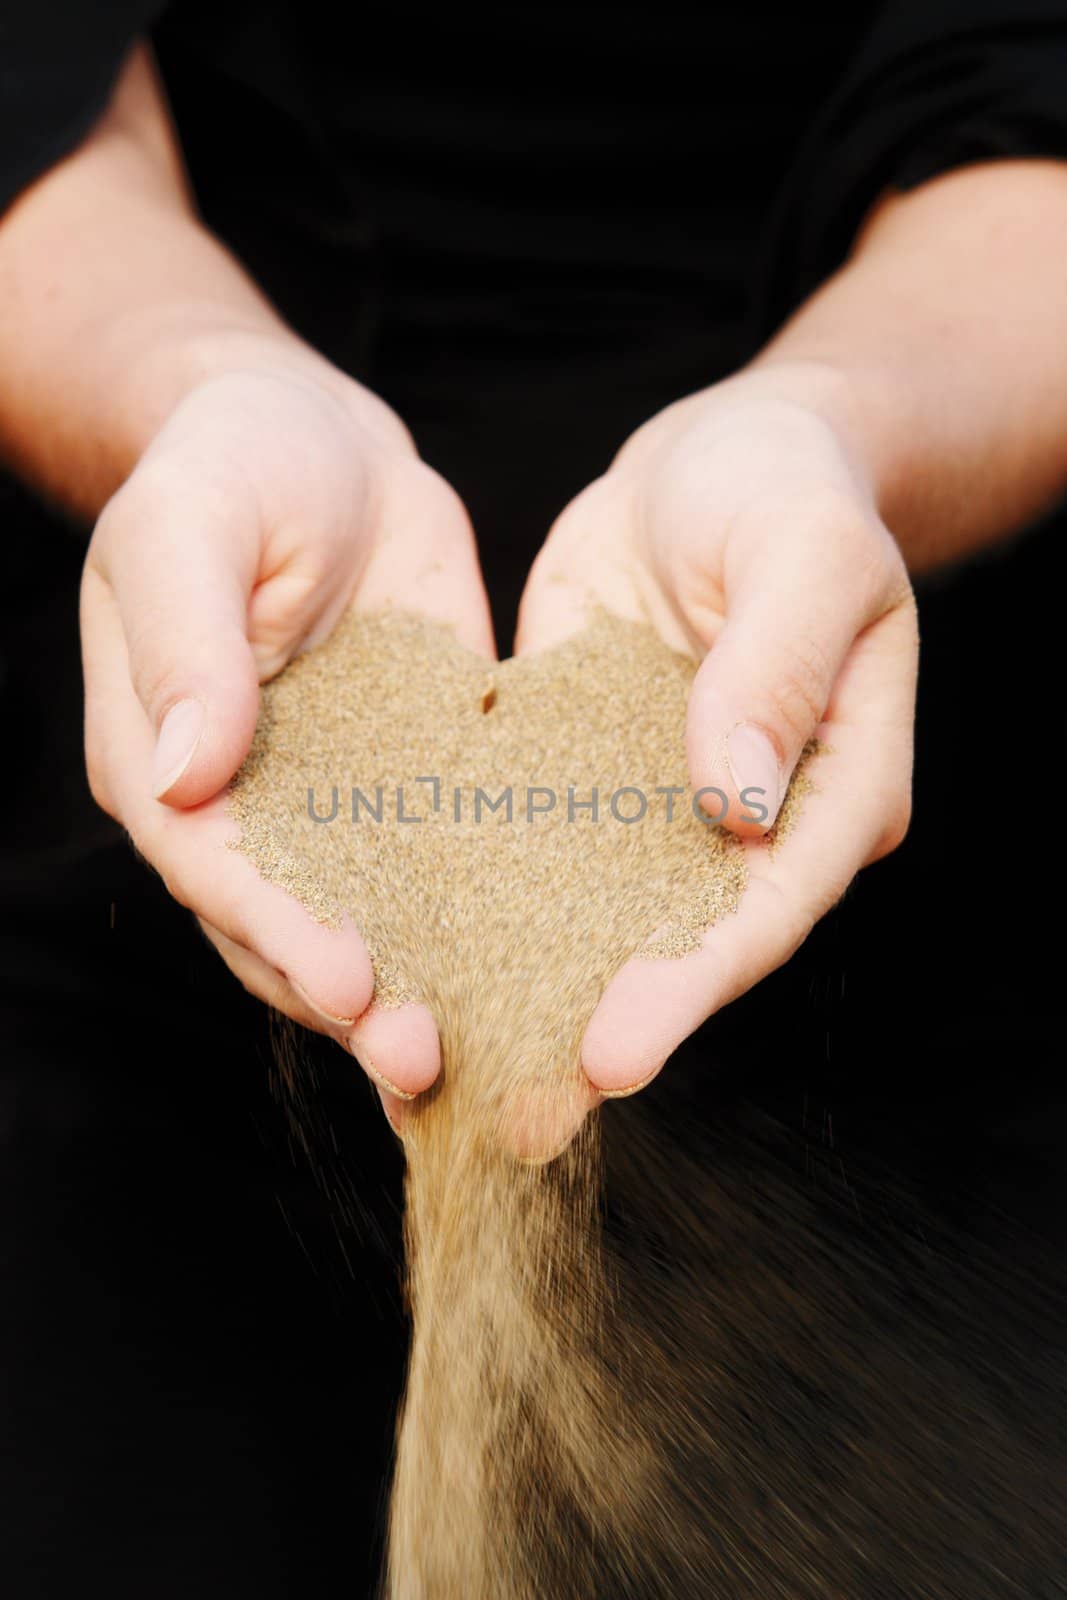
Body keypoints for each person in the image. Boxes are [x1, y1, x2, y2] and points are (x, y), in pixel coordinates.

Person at [2, 4, 1066, 1593]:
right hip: (196, 698)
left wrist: (832, 429)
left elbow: (1025, 113)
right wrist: (194, 395)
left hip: (867, 742)